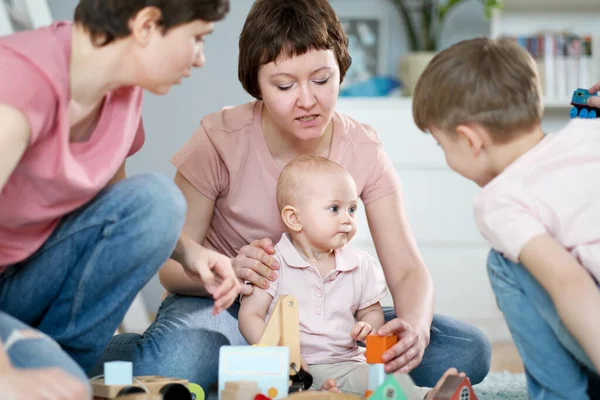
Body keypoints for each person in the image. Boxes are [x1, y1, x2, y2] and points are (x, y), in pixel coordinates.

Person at [104, 0, 491, 390]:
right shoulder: (219, 140)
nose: (307, 100)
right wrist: (231, 270)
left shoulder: (363, 147)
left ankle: (270, 368)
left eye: (322, 80)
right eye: (285, 86)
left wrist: (416, 332)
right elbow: (170, 268)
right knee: (182, 362)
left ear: (341, 69)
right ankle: (94, 351)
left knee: (466, 350)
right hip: (223, 308)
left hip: (326, 319)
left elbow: (407, 268)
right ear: (256, 83)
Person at [0, 0, 239, 398]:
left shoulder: (122, 91)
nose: (199, 59)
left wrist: (189, 253)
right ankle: (39, 364)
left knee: (157, 201)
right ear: (146, 24)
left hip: (26, 283)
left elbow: (116, 206)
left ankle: (57, 363)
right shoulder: (20, 83)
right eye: (197, 38)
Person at [411, 37, 600, 399]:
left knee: (504, 262)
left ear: (470, 140)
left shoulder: (500, 200)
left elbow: (570, 283)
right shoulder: (590, 131)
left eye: (442, 144)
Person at [238, 155, 387, 395]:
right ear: (295, 219)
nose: (347, 219)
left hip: (346, 363)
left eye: (352, 209)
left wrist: (368, 326)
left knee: (381, 385)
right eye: (335, 209)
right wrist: (279, 355)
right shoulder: (272, 262)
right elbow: (250, 315)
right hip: (290, 367)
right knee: (261, 389)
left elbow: (371, 310)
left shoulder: (360, 264)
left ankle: (430, 395)